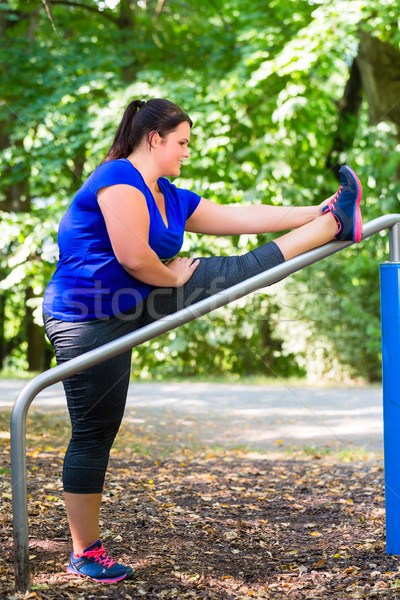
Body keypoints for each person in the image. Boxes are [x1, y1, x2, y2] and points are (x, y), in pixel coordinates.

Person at [42, 98, 362, 582]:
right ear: (155, 139)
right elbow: (133, 255)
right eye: (182, 143)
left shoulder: (169, 195)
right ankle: (85, 551)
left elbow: (238, 216)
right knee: (95, 433)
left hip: (139, 296)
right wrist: (170, 281)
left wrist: (314, 208)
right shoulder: (117, 180)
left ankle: (333, 221)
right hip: (86, 316)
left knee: (234, 272)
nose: (186, 152)